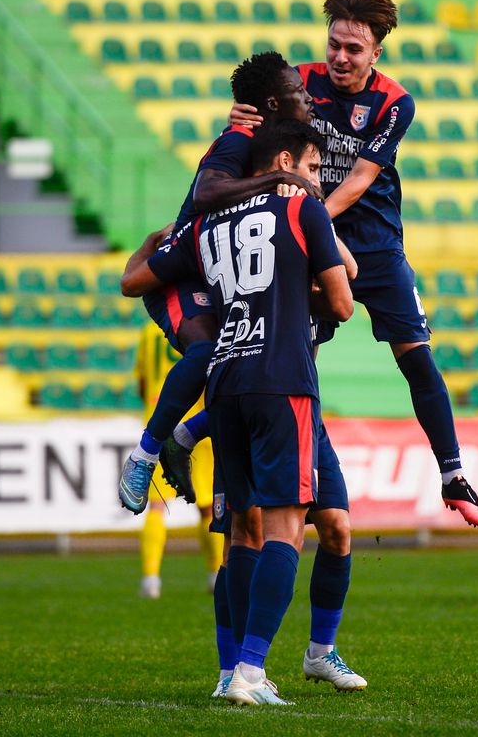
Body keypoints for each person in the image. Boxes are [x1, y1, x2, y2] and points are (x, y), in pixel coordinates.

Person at [230, 0, 478, 528]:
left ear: (376, 54)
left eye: (354, 48)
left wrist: (309, 213)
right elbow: (251, 137)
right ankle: (296, 477)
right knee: (296, 365)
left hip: (373, 247)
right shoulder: (297, 81)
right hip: (306, 244)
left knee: (417, 357)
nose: (341, 57)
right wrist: (239, 119)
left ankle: (452, 475)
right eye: (335, 45)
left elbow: (359, 179)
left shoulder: (396, 103)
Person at [122, 119, 354, 706]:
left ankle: (243, 670)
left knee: (248, 536)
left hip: (226, 379)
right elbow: (346, 303)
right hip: (284, 381)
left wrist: (152, 245)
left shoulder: (205, 224)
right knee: (280, 531)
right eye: (309, 168)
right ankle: (249, 671)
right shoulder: (303, 214)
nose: (316, 180)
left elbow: (139, 279)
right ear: (281, 162)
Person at [118, 52, 320, 515]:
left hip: (222, 269)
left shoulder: (273, 141)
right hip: (183, 268)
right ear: (272, 102)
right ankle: (144, 455)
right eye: (296, 92)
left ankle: (185, 438)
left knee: (258, 365)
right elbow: (207, 193)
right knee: (211, 352)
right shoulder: (239, 139)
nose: (306, 97)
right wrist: (280, 177)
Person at [132, 322, 222, 599]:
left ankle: (151, 578)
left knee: (157, 506)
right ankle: (216, 574)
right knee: (208, 507)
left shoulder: (150, 331)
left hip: (161, 424)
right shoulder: (208, 324)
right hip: (198, 425)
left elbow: (143, 383)